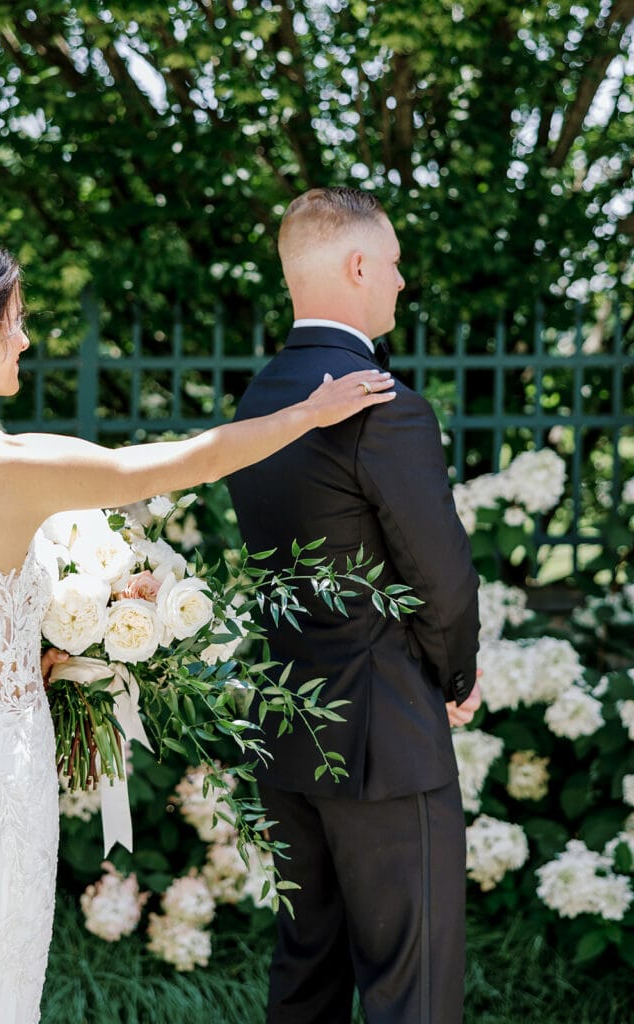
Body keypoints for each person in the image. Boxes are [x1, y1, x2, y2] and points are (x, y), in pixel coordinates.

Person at [0, 220, 398, 1023]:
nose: (28, 338)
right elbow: (171, 462)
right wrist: (308, 415)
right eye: (16, 321)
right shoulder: (3, 463)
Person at [227, 187, 482, 1024]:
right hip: (387, 737)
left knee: (307, 977)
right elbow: (437, 573)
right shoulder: (383, 405)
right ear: (360, 265)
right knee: (414, 987)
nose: (403, 284)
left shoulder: (259, 400)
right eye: (397, 264)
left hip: (290, 728)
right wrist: (456, 674)